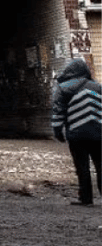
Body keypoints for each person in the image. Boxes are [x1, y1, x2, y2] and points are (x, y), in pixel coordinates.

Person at [51, 58, 101, 206]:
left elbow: (58, 111)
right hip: (99, 133)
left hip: (77, 134)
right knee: (100, 165)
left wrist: (57, 130)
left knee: (82, 167)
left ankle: (86, 198)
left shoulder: (63, 88)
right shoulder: (98, 86)